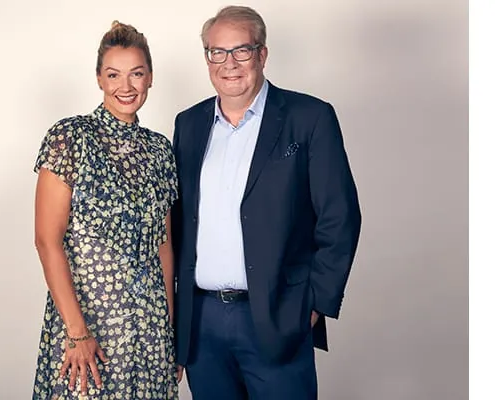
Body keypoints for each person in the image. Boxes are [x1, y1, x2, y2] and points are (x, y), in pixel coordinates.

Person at [171, 5, 362, 399]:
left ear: (262, 54)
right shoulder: (187, 124)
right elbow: (177, 219)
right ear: (207, 58)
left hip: (277, 316)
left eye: (241, 50)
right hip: (201, 323)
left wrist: (314, 303)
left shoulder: (309, 117)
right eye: (217, 52)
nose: (229, 63)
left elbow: (339, 215)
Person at [32, 21, 179, 399]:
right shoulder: (70, 137)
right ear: (99, 78)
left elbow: (164, 247)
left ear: (150, 78)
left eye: (136, 74)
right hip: (88, 328)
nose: (125, 86)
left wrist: (171, 331)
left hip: (150, 332)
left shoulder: (160, 150)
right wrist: (77, 332)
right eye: (114, 75)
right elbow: (47, 241)